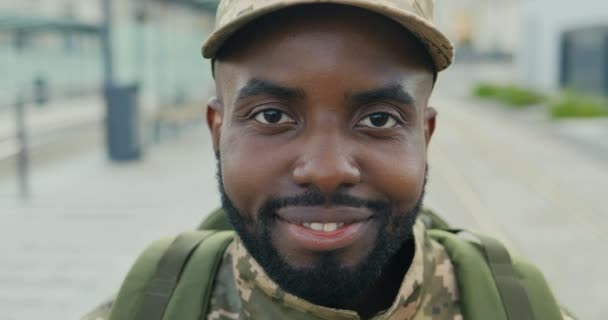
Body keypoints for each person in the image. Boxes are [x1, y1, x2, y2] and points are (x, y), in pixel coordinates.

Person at [83, 1, 575, 319]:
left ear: (425, 135)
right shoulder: (147, 309)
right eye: (273, 115)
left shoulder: (519, 309)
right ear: (218, 130)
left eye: (379, 120)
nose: (326, 169)